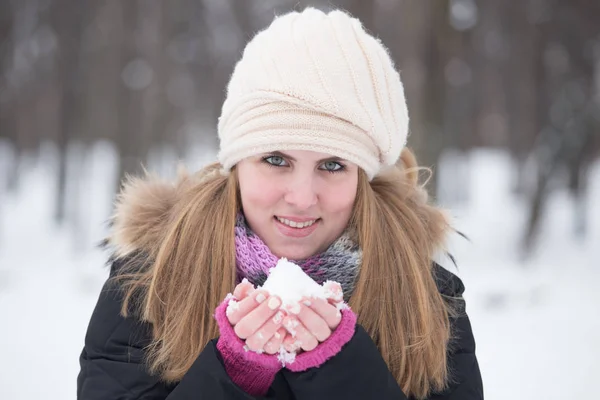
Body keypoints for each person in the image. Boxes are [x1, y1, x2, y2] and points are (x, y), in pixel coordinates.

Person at [77, 7, 483, 400]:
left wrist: (340, 370)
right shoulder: (147, 287)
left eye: (332, 164)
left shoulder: (427, 297)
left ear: (362, 176)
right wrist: (233, 373)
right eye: (275, 160)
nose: (302, 197)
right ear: (236, 163)